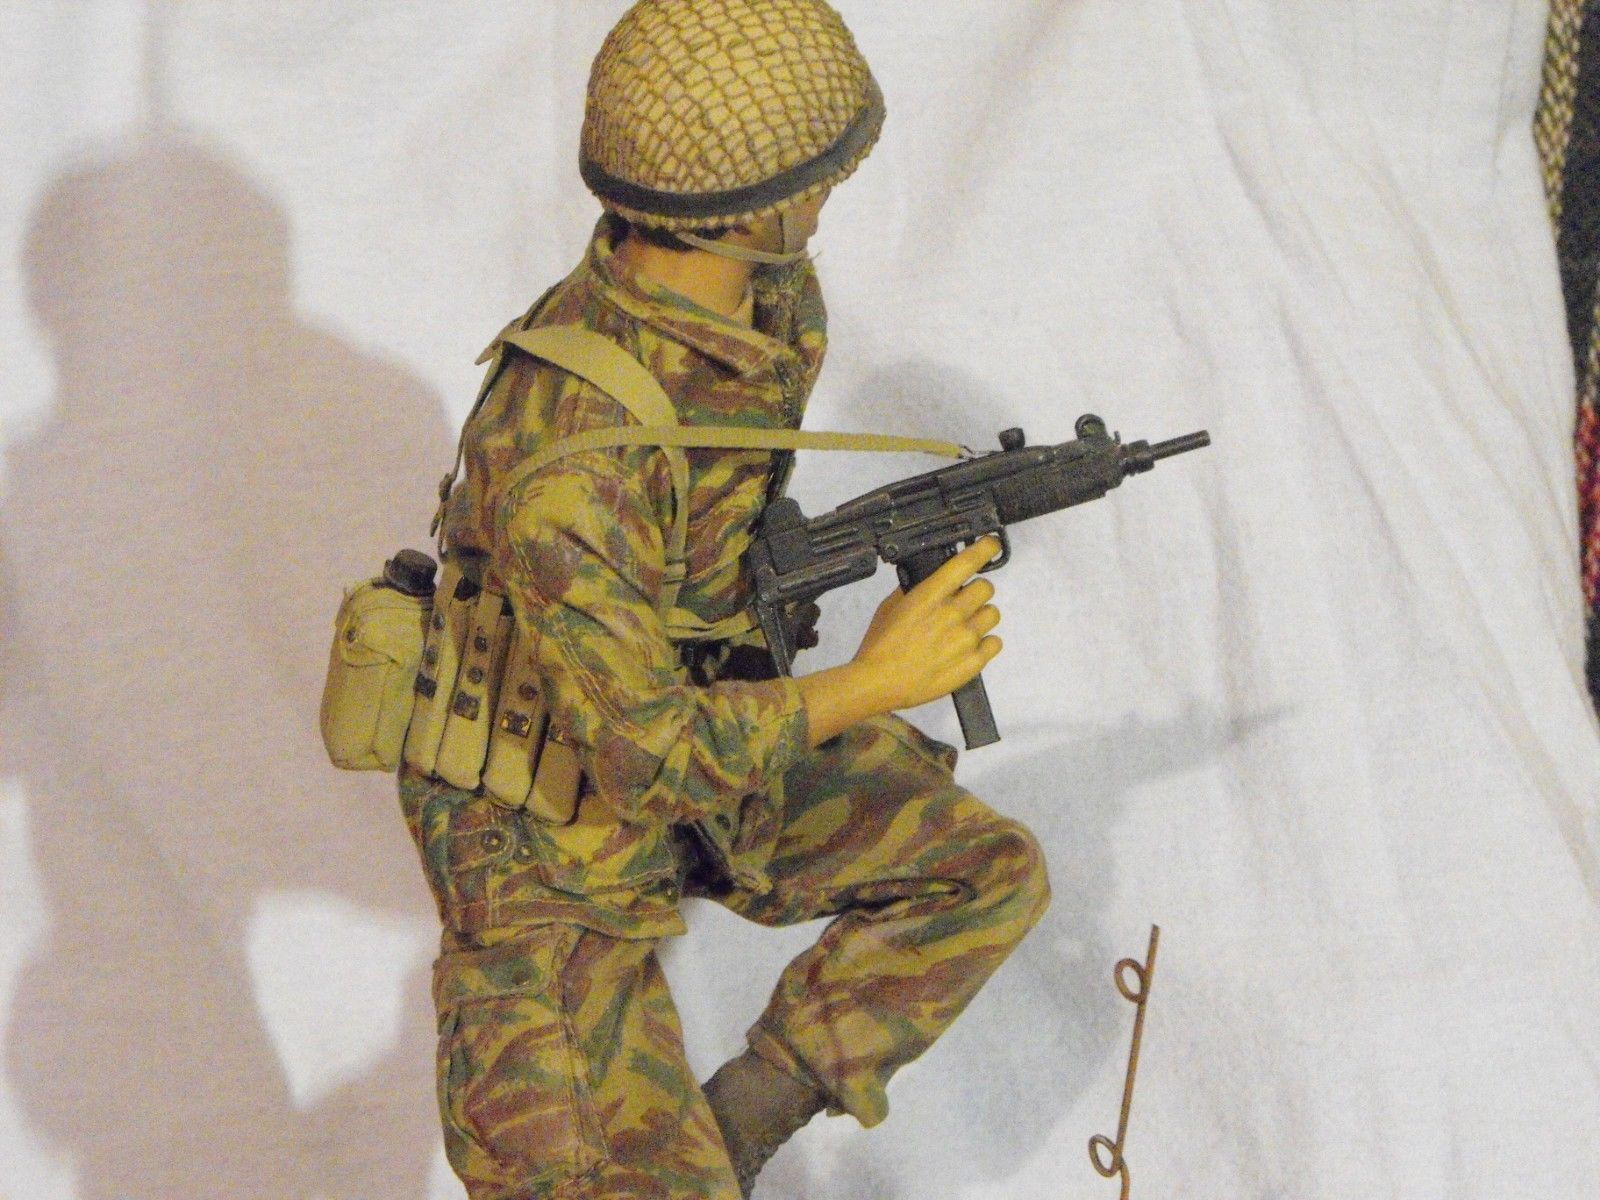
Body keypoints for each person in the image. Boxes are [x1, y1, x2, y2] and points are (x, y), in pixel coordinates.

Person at [400, 2, 1051, 1196]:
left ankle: (727, 1136)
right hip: (545, 837)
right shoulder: (572, 462)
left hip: (693, 722)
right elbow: (643, 759)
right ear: (747, 210)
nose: (830, 198)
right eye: (818, 181)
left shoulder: (758, 309)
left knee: (979, 874)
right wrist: (875, 683)